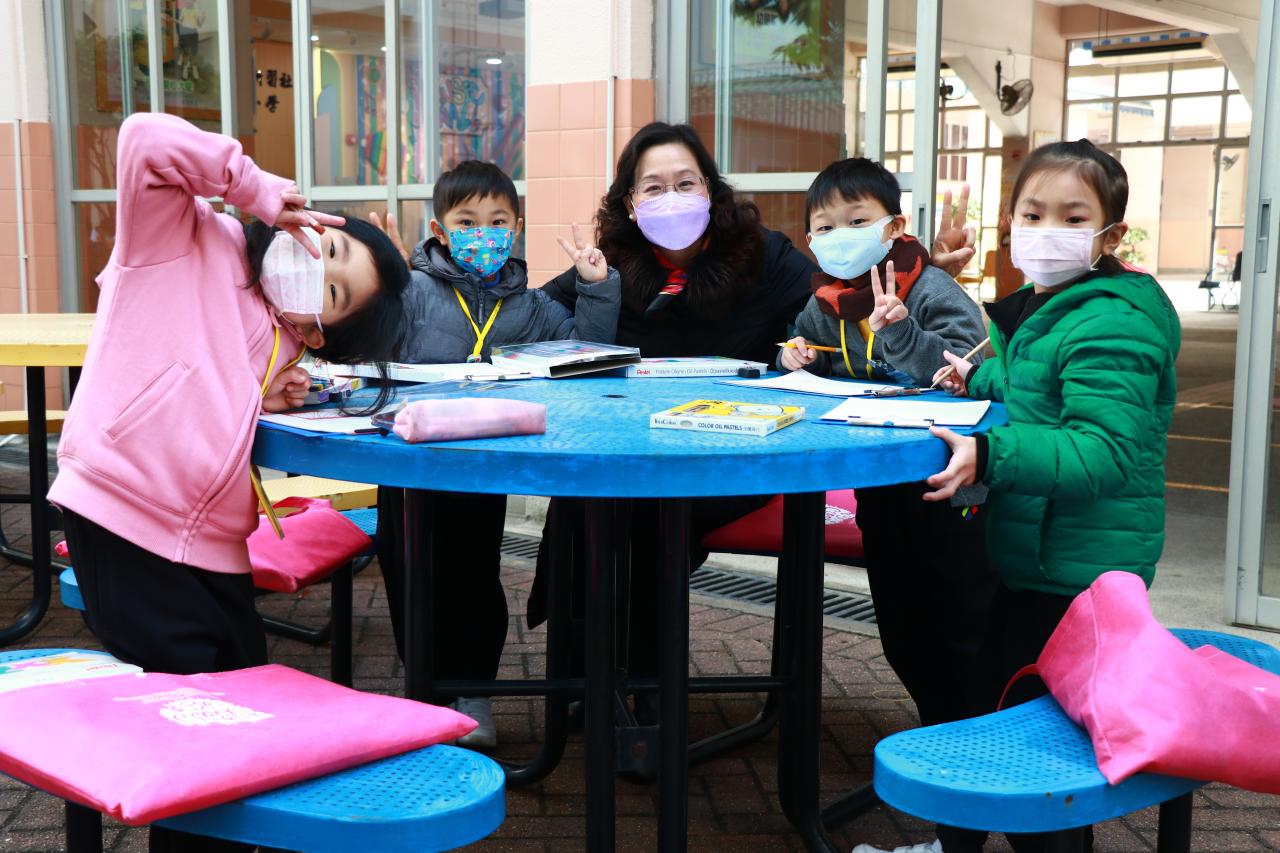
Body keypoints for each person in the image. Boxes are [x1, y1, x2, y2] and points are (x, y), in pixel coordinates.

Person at [48, 112, 408, 853]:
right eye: (331, 248)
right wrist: (254, 188)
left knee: (244, 705)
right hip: (120, 518)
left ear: (322, 329)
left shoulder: (284, 342)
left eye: (334, 291)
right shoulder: (184, 235)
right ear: (311, 222)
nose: (318, 267)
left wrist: (266, 395)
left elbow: (214, 391)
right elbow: (143, 139)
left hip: (210, 547)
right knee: (202, 729)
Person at [529, 122, 978, 700]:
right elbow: (534, 321)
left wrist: (920, 272)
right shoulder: (608, 262)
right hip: (633, 448)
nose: (672, 198)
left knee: (644, 514)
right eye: (653, 187)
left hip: (734, 456)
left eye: (686, 183)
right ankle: (584, 681)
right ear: (630, 203)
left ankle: (643, 694)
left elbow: (842, 305)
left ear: (711, 190)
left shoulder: (761, 254)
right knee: (583, 503)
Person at [923, 139, 1181, 853]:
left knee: (1035, 746)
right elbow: (1037, 392)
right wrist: (975, 380)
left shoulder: (1112, 321)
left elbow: (1103, 451)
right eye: (1033, 213)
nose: (1047, 230)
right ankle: (954, 846)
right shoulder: (1050, 308)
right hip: (1038, 561)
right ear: (1010, 221)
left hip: (1076, 576)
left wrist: (993, 453)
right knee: (994, 713)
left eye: (1073, 217)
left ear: (1110, 236)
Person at [780, 158, 997, 853]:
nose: (839, 236)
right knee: (905, 635)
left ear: (895, 226)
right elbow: (812, 351)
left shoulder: (931, 288)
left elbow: (971, 375)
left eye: (856, 220)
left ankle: (971, 800)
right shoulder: (824, 300)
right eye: (824, 227)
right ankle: (948, 775)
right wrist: (797, 357)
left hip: (950, 491)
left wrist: (903, 332)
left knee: (959, 639)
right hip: (882, 491)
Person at [371, 160, 620, 750]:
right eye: (467, 222)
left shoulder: (530, 306)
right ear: (439, 229)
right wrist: (380, 282)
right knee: (408, 573)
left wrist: (595, 287)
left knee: (475, 575)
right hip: (408, 464)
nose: (483, 233)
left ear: (517, 227)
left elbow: (585, 352)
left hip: (482, 468)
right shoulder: (412, 291)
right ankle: (425, 690)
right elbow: (370, 338)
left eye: (498, 221)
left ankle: (474, 690)